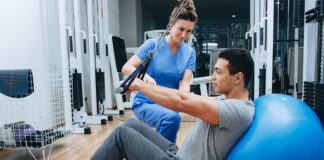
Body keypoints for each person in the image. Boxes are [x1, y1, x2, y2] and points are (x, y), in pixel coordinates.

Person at [91, 48, 255, 160]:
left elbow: (180, 102)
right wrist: (145, 86)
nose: (213, 76)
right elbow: (182, 97)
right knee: (131, 124)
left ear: (238, 78)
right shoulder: (227, 101)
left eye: (218, 72)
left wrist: (139, 85)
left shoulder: (237, 111)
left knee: (122, 135)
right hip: (178, 154)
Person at [121, 0, 198, 143]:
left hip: (170, 102)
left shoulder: (190, 52)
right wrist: (144, 76)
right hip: (146, 103)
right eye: (181, 29)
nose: (184, 35)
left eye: (189, 31)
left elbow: (185, 82)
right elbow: (127, 67)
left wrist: (184, 94)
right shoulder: (153, 45)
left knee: (171, 119)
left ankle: (161, 154)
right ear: (171, 24)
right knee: (171, 119)